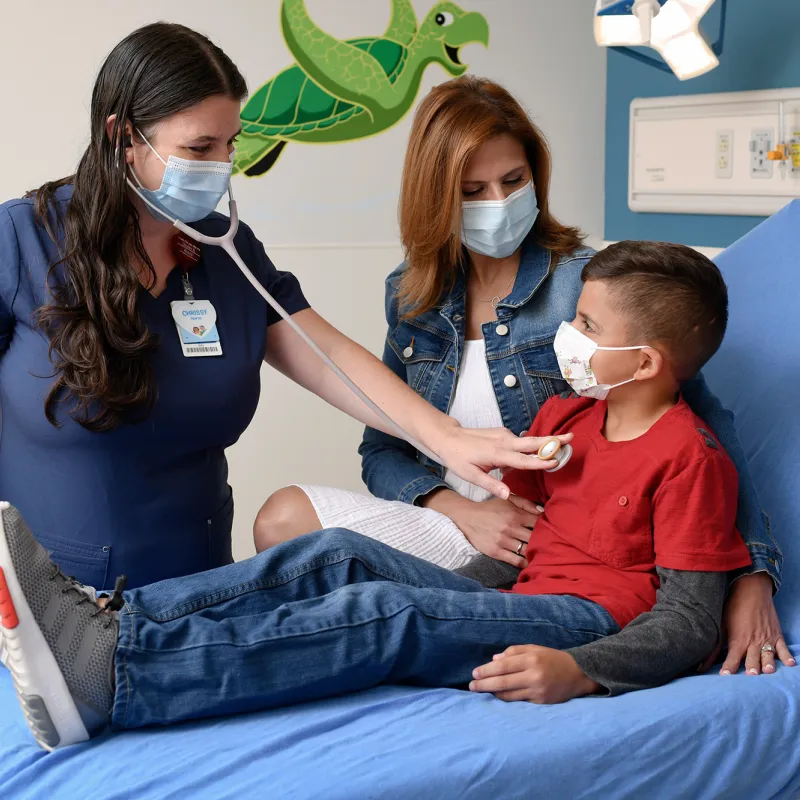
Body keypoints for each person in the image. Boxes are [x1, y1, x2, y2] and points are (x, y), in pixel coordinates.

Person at [2, 240, 792, 752]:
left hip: (591, 618)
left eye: (586, 325)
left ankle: (123, 677)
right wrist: (471, 576)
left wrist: (583, 670)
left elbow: (688, 620)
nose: (568, 338)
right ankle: (114, 621)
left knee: (388, 614)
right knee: (342, 556)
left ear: (648, 362)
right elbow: (522, 538)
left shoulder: (690, 457)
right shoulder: (569, 416)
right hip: (519, 591)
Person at [0, 22, 566, 598]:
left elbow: (328, 357)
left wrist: (448, 439)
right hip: (47, 596)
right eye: (200, 148)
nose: (222, 166)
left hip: (198, 589)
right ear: (122, 136)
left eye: (230, 144)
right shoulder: (20, 242)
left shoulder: (225, 251)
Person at [254, 76, 786, 677]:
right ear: (437, 198)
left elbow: (703, 433)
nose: (500, 202)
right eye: (473, 190)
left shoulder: (584, 287)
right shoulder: (412, 295)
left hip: (538, 539)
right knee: (284, 522)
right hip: (454, 522)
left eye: (514, 181)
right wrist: (454, 504)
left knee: (373, 607)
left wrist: (753, 577)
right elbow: (382, 448)